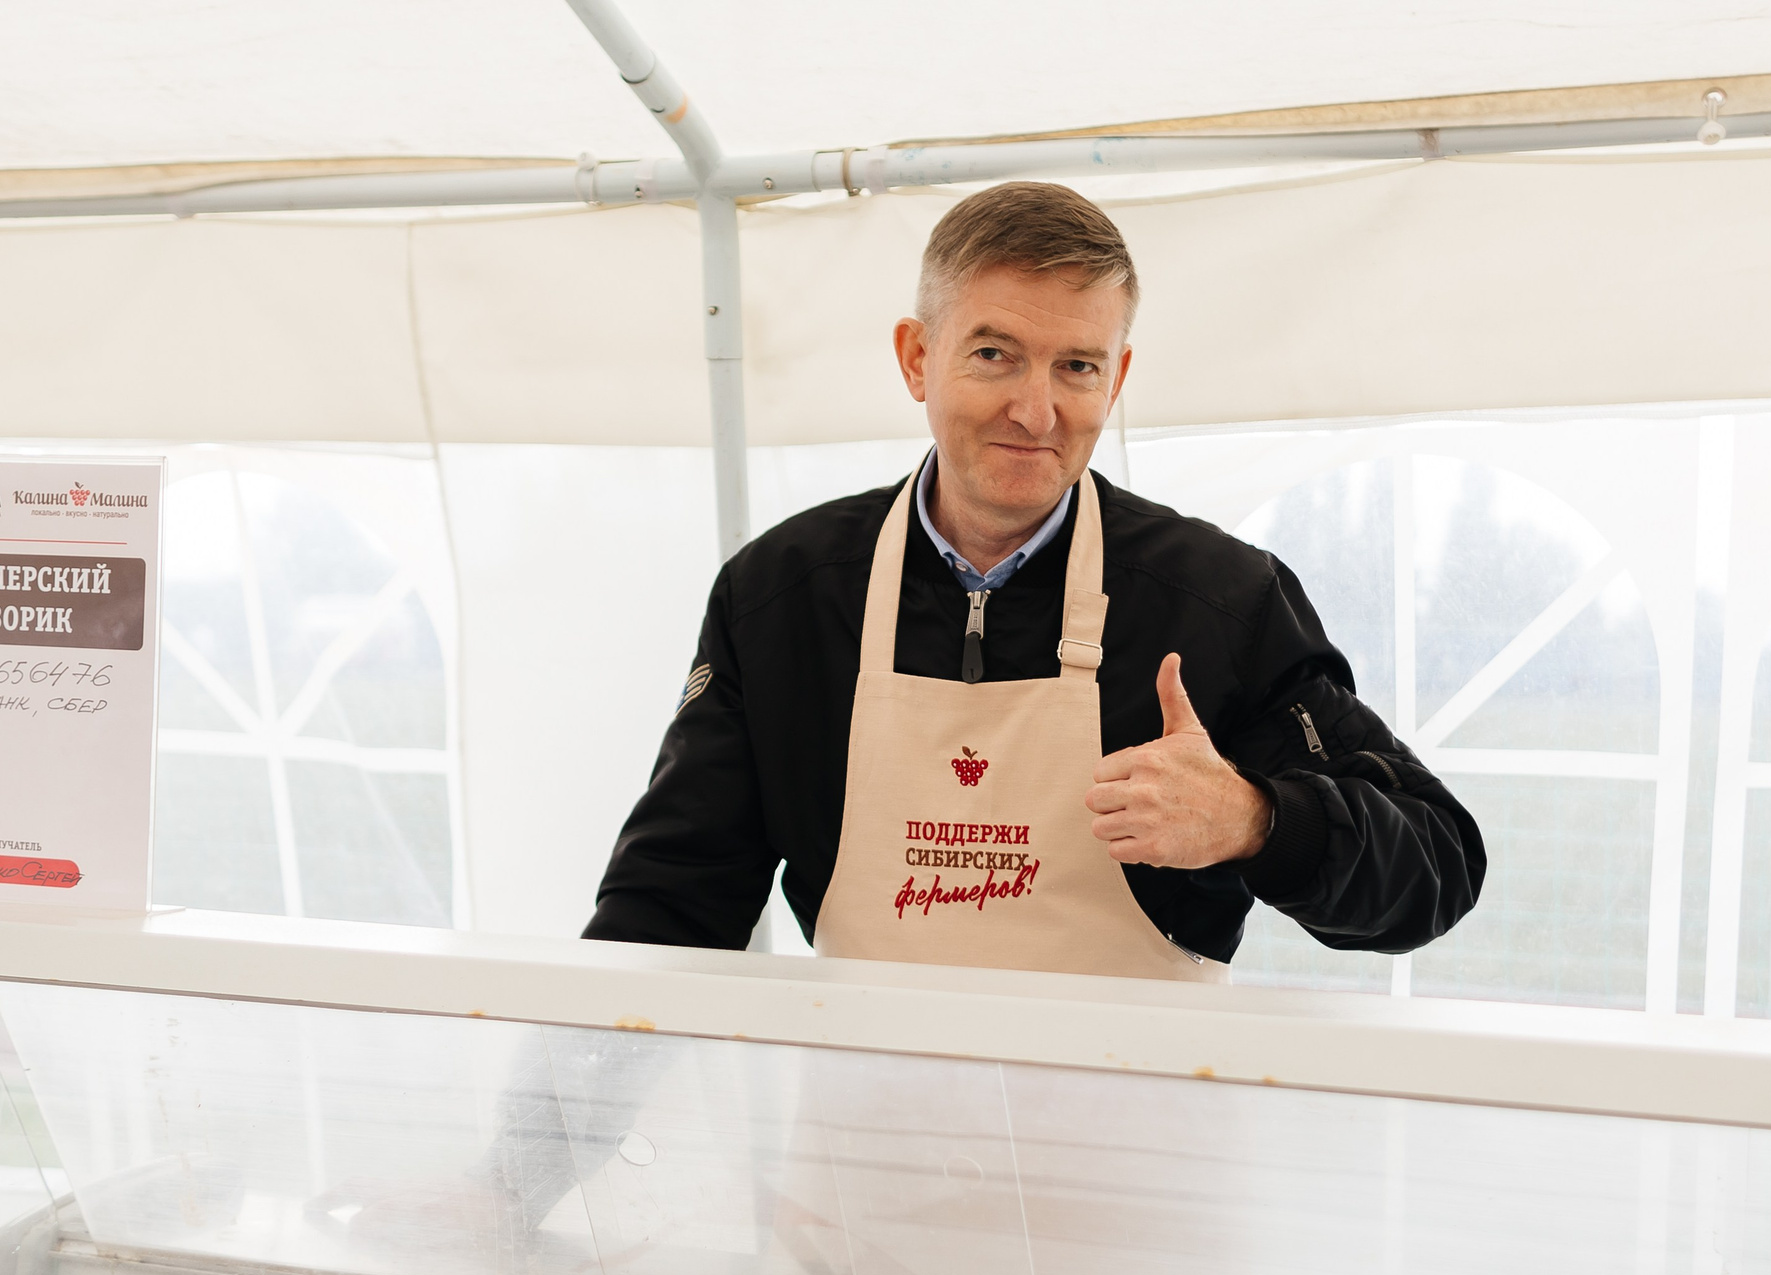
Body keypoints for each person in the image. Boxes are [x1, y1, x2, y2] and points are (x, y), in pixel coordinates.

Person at [586, 180, 1482, 979]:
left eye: (1077, 367)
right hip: (861, 1144)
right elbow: (669, 905)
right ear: (915, 358)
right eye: (994, 354)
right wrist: (525, 1159)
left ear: (1118, 376)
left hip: (1137, 1142)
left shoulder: (1222, 602)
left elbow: (1438, 867)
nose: (1036, 409)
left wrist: (1257, 820)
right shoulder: (780, 596)